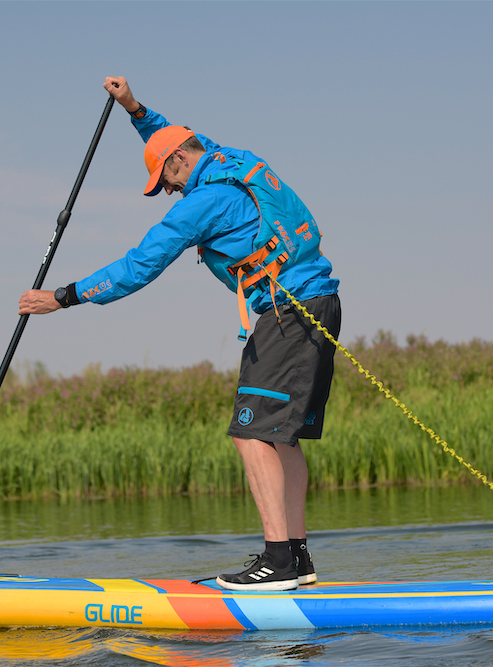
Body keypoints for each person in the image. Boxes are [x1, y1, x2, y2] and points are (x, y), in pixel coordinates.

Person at [19, 76, 341, 591]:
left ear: (178, 161)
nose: (167, 191)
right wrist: (133, 108)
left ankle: (278, 563)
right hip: (317, 303)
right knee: (281, 437)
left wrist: (63, 297)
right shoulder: (230, 159)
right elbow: (174, 134)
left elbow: (139, 265)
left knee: (251, 432)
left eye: (164, 180)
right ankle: (296, 559)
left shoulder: (201, 202)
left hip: (288, 312)